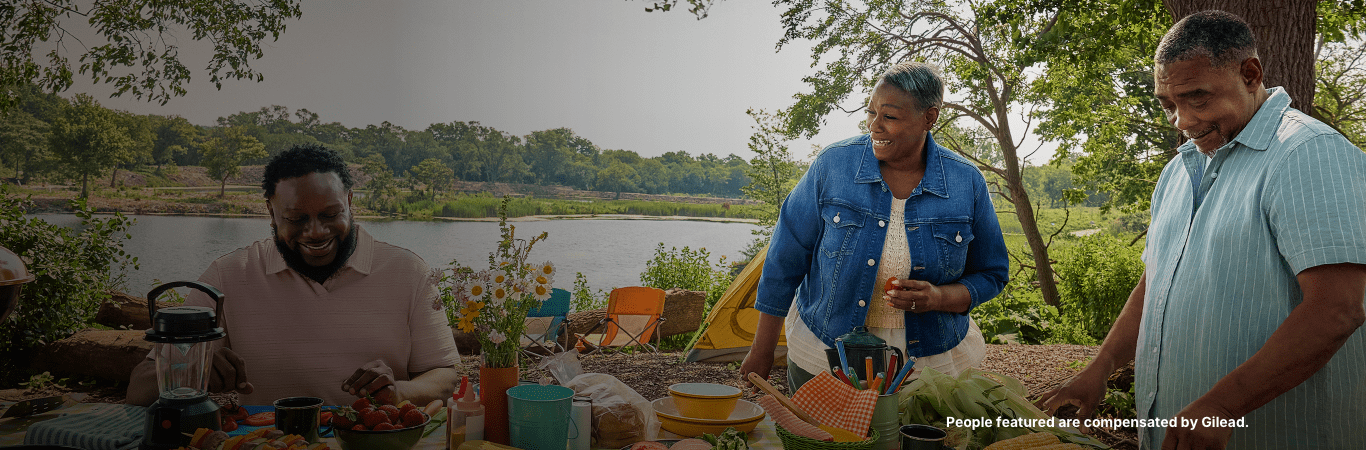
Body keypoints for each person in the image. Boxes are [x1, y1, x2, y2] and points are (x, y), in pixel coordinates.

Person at [1036, 10, 1366, 449]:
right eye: (1169, 104)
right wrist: (1100, 368)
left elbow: (1338, 309)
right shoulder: (1178, 171)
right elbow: (1156, 281)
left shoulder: (1307, 154)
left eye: (1198, 98)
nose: (1182, 121)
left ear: (1250, 75)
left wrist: (1223, 407)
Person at [739, 62, 1009, 393]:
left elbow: (992, 274)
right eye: (871, 113)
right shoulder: (833, 166)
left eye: (890, 117)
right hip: (823, 353)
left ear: (929, 118)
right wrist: (761, 351)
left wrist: (939, 297)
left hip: (927, 366)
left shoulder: (966, 182)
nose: (874, 127)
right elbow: (785, 260)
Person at [128, 144, 461, 407]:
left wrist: (401, 392)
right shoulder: (228, 275)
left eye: (331, 214)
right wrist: (191, 371)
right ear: (270, 212)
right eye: (297, 219)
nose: (315, 232)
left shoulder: (408, 272)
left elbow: (445, 375)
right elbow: (139, 388)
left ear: (349, 201)